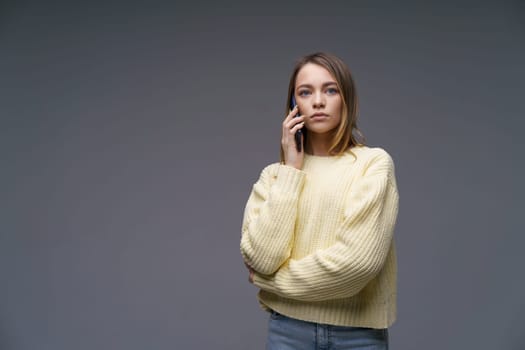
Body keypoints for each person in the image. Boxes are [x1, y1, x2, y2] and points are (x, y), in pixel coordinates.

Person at [240, 52, 399, 349]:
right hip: (287, 331)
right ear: (292, 106)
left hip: (358, 337)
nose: (318, 101)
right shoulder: (275, 176)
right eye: (305, 92)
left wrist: (272, 282)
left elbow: (356, 266)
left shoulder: (372, 164)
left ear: (347, 99)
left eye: (330, 90)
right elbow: (261, 259)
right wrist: (291, 170)